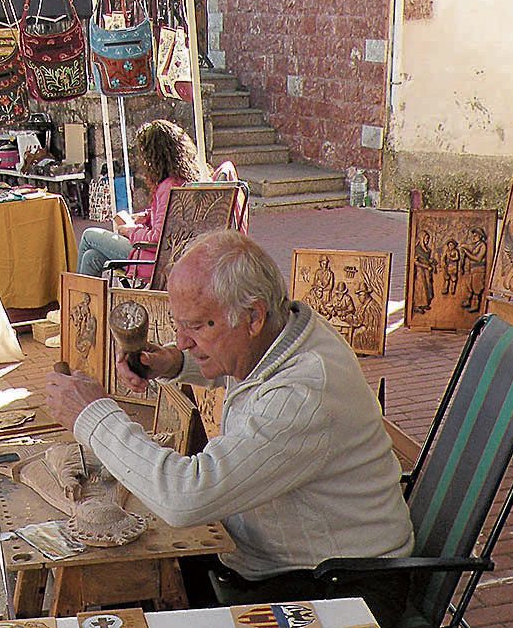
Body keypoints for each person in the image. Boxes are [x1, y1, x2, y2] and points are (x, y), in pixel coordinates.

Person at [44, 230, 415, 626]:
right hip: (290, 563)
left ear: (253, 316)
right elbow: (250, 368)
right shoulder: (284, 331)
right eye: (178, 325)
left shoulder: (304, 393)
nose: (184, 340)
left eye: (198, 327)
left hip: (340, 588)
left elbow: (185, 497)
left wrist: (94, 416)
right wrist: (176, 363)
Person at [76, 119, 202, 279]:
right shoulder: (183, 181)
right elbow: (170, 216)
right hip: (170, 258)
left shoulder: (168, 187)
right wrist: (147, 216)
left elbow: (157, 239)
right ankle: (83, 302)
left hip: (156, 262)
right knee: (92, 257)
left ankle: (74, 295)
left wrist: (130, 231)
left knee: (89, 235)